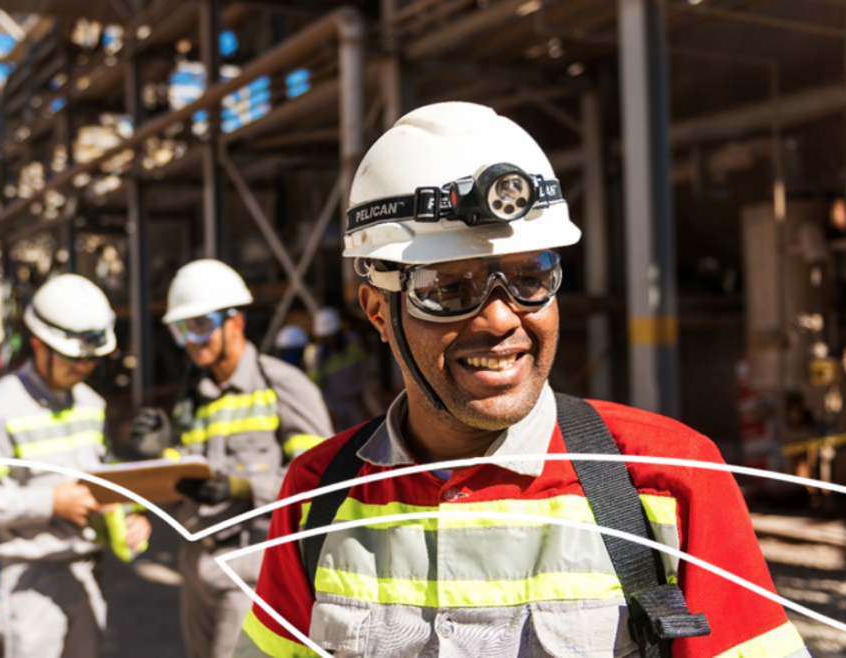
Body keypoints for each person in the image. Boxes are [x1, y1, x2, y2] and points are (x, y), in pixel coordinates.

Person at [235, 103, 808, 658]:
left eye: (530, 277)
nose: (502, 318)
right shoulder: (318, 495)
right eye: (447, 289)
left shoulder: (668, 479)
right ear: (379, 312)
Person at [0, 274, 152, 658]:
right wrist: (49, 504)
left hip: (87, 573)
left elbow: (100, 477)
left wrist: (131, 514)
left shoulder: (90, 404)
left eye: (92, 356)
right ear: (38, 344)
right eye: (75, 356)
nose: (85, 365)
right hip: (28, 583)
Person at [152, 259, 333, 658]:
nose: (190, 341)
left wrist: (245, 486)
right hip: (196, 563)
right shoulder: (193, 398)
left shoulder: (283, 385)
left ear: (235, 322)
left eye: (199, 326)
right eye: (179, 330)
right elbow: (184, 477)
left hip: (250, 568)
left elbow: (322, 483)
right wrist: (157, 456)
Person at [305, 307, 369, 432]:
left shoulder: (352, 342)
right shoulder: (318, 355)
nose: (330, 340)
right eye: (326, 336)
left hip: (354, 400)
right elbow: (317, 385)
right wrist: (329, 409)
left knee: (361, 435)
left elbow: (363, 369)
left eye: (332, 335)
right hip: (334, 404)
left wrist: (363, 394)